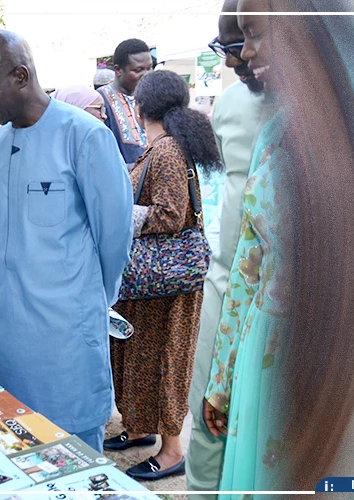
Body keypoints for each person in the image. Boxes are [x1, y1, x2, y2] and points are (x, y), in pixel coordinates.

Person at [0, 30, 133, 453]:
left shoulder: (85, 137)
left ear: (20, 76)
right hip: (11, 338)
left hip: (66, 340)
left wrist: (86, 300)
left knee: (76, 458)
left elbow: (114, 239)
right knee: (23, 452)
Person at [108, 70, 222, 481]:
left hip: (166, 284)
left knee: (164, 362)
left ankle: (172, 451)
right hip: (155, 284)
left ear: (140, 108)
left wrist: (118, 214)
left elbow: (171, 215)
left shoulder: (168, 150)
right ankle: (139, 429)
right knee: (141, 357)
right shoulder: (159, 147)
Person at [203, 0, 290, 494]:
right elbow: (247, 266)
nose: (245, 54)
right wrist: (223, 376)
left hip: (335, 356)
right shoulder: (276, 132)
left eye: (255, 35)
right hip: (264, 348)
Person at [185, 1, 270, 496]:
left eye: (240, 45)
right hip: (226, 288)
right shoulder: (233, 104)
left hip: (287, 306)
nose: (235, 61)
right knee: (209, 420)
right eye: (227, 46)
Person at [99, 38, 153, 165]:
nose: (146, 75)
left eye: (150, 68)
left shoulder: (154, 97)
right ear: (118, 70)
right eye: (138, 70)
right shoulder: (101, 101)